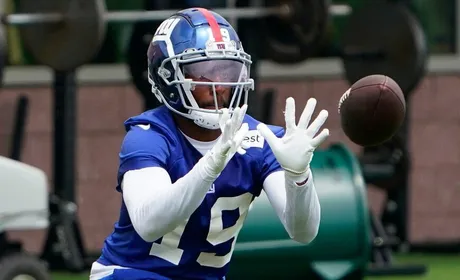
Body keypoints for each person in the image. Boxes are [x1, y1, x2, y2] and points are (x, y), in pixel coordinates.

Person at [90, 7, 329, 280]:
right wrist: (210, 165)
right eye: (204, 72)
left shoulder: (258, 139)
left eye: (227, 70)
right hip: (132, 274)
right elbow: (148, 223)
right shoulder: (149, 135)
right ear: (167, 76)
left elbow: (303, 232)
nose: (219, 84)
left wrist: (299, 178)